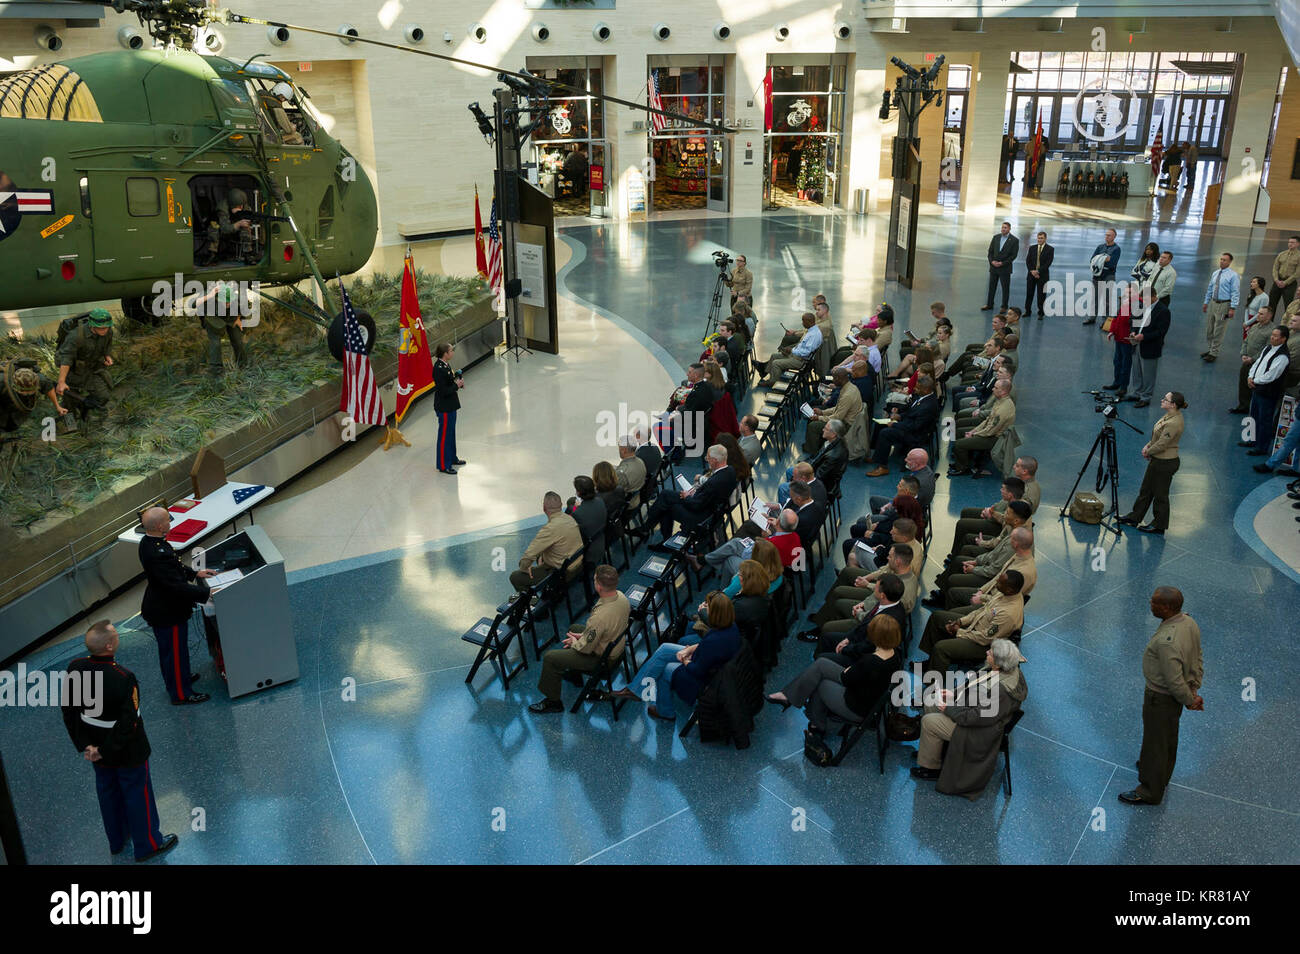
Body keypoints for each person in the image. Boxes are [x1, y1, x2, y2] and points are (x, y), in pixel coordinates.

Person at [60, 620, 180, 862]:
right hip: (126, 751)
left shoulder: (75, 668)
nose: (117, 638)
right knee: (137, 794)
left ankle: (116, 841)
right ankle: (148, 844)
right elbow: (129, 723)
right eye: (115, 636)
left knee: (108, 792)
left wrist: (88, 746)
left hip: (94, 747)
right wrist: (106, 750)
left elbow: (69, 711)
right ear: (108, 646)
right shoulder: (123, 676)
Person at [910, 638, 1028, 798]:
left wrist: (950, 708)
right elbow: (974, 687)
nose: (987, 652)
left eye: (991, 653)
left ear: (999, 663)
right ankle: (930, 751)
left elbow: (976, 717)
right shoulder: (1003, 670)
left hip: (978, 731)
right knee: (931, 702)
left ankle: (931, 768)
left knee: (929, 722)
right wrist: (954, 694)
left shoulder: (1001, 692)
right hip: (971, 713)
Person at [766, 615, 900, 751]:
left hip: (856, 707)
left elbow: (846, 678)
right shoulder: (895, 655)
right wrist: (851, 670)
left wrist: (849, 670)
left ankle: (813, 722)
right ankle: (808, 717)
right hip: (869, 700)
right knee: (821, 666)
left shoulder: (871, 661)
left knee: (820, 681)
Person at [1119, 587, 1203, 806]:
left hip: (1160, 697)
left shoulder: (1167, 641)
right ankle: (1159, 771)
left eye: (1155, 602)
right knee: (1167, 736)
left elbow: (1173, 679)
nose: (1151, 604)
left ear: (1167, 607)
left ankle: (1149, 790)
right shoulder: (1189, 623)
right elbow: (1197, 657)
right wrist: (1193, 688)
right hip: (1174, 697)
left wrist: (1189, 699)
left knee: (1155, 741)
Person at [612, 590, 742, 721]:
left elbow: (697, 670)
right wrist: (690, 649)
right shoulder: (731, 626)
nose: (704, 607)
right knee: (664, 649)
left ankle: (665, 711)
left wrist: (685, 659)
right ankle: (636, 690)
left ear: (715, 614)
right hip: (708, 662)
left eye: (707, 606)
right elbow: (706, 647)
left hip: (705, 678)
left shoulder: (714, 639)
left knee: (664, 669)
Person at [528, 565, 630, 714]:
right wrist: (582, 636)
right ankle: (574, 674)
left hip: (602, 659)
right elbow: (602, 630)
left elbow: (586, 648)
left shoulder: (600, 617)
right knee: (574, 628)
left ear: (599, 586)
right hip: (614, 646)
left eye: (595, 579)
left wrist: (576, 642)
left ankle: (553, 701)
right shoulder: (621, 597)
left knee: (550, 658)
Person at [138, 506, 214, 705]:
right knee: (174, 653)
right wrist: (206, 593)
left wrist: (194, 574)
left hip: (165, 607)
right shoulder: (157, 552)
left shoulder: (151, 543)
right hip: (167, 611)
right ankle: (181, 693)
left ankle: (181, 678)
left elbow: (175, 567)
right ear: (160, 525)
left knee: (173, 650)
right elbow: (173, 585)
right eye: (168, 520)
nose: (170, 523)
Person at [918, 570, 1025, 673]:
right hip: (976, 629)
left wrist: (959, 631)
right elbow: (981, 610)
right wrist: (960, 621)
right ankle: (932, 661)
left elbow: (985, 639)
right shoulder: (1005, 593)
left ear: (1010, 590)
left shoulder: (1008, 613)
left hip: (984, 645)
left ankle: (933, 683)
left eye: (1000, 582)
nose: (996, 582)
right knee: (937, 617)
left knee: (941, 648)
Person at [638, 443, 737, 549]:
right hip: (709, 509)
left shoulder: (714, 482)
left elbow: (696, 505)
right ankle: (647, 528)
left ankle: (652, 532)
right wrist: (694, 494)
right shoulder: (731, 471)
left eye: (707, 458)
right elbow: (707, 496)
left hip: (700, 517)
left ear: (714, 460)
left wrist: (687, 497)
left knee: (666, 506)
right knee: (665, 494)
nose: (706, 460)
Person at [1119, 392, 1186, 535]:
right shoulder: (1169, 415)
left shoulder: (1174, 422)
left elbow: (1163, 443)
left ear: (1173, 405)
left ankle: (1159, 525)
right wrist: (1148, 446)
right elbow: (1158, 436)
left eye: (1165, 399)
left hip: (1165, 462)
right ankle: (1135, 516)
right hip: (1158, 459)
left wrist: (1149, 452)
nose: (1162, 400)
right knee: (1146, 490)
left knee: (1160, 494)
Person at [865, 375, 940, 477]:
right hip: (908, 425)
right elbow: (911, 411)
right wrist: (899, 416)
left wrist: (896, 425)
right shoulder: (921, 396)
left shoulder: (928, 406)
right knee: (879, 426)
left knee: (885, 433)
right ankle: (877, 455)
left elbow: (915, 426)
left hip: (916, 435)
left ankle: (883, 467)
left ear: (926, 390)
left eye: (918, 387)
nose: (914, 389)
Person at [510, 492, 583, 591]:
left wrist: (524, 568)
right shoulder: (570, 518)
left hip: (562, 573)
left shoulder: (549, 529)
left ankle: (534, 603)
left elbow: (528, 556)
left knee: (516, 577)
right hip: (578, 563)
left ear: (544, 508)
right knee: (540, 556)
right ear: (561, 505)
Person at [947, 378, 1015, 476]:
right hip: (988, 431)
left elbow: (990, 431)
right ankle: (963, 461)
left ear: (1003, 391)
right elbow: (987, 420)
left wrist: (973, 434)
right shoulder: (1000, 401)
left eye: (996, 388)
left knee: (959, 444)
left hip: (994, 438)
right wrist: (973, 431)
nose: (992, 389)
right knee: (959, 432)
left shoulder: (1004, 409)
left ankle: (962, 468)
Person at [1241, 326, 1291, 455]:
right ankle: (1251, 440)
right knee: (1254, 415)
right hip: (1257, 387)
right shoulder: (1268, 348)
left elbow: (1271, 375)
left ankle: (1262, 447)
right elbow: (1258, 363)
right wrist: (1250, 376)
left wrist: (1255, 381)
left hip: (1268, 392)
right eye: (1272, 335)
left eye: (1275, 336)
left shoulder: (1283, 356)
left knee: (1265, 420)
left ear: (1283, 339)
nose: (1272, 338)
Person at [55, 308, 114, 414]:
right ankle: (70, 416)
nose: (105, 330)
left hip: (93, 368)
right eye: (101, 328)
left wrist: (107, 356)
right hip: (73, 370)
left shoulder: (108, 332)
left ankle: (85, 407)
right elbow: (66, 358)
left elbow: (107, 345)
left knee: (103, 397)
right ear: (92, 325)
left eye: (107, 327)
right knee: (69, 402)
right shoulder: (76, 336)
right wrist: (61, 382)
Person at [1126, 288, 1172, 408]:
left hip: (1150, 346)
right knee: (1136, 371)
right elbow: (1134, 321)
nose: (1144, 301)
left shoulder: (1163, 311)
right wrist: (1133, 332)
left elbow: (1161, 332)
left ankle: (1146, 397)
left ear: (1154, 296)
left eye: (1146, 299)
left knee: (1148, 374)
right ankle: (1136, 393)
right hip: (1137, 344)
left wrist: (1144, 336)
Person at [1230, 303, 1275, 414]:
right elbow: (1246, 341)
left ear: (1269, 316)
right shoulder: (1255, 326)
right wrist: (1243, 354)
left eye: (1261, 314)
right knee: (1243, 384)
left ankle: (1255, 410)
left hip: (1258, 364)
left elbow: (1267, 350)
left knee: (1255, 387)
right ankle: (1243, 406)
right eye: (1258, 313)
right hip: (1247, 361)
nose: (1257, 315)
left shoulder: (1271, 332)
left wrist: (1252, 359)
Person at [0, 357, 65, 434]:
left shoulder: (40, 379)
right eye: (23, 392)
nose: (26, 394)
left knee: (15, 423)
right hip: (4, 397)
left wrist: (58, 406)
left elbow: (49, 388)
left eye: (29, 392)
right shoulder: (1, 382)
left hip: (20, 405)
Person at [759, 312, 822, 386]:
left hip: (801, 361)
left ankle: (772, 383)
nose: (802, 323)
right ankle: (770, 376)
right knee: (774, 356)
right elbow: (802, 346)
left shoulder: (814, 335)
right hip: (797, 356)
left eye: (803, 321)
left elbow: (806, 352)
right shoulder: (810, 330)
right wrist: (790, 349)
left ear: (809, 321)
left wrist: (792, 351)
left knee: (776, 363)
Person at [1200, 252, 1241, 362]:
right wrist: (1206, 302)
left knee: (1219, 329)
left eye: (1224, 260)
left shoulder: (1233, 275)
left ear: (1230, 262)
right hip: (1213, 304)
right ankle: (1210, 349)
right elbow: (1210, 288)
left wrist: (1232, 308)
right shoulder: (1215, 273)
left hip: (1224, 306)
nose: (1222, 262)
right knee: (1210, 328)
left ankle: (1214, 352)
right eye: (1221, 259)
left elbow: (1235, 292)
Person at [433, 342, 465, 474]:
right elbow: (443, 390)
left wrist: (457, 382)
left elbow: (449, 381)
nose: (453, 352)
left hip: (451, 404)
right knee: (444, 436)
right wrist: (456, 385)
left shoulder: (445, 365)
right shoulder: (438, 368)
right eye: (451, 350)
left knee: (451, 433)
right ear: (445, 354)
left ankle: (452, 458)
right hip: (444, 407)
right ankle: (443, 465)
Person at [1104, 282, 1137, 399]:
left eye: (1130, 292)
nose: (1127, 294)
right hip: (1119, 337)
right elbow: (1117, 319)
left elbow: (1134, 322)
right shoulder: (1125, 303)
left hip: (1127, 339)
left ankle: (1123, 387)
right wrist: (1112, 331)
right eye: (1126, 292)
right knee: (1117, 361)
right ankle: (1116, 382)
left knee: (1125, 364)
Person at [1082, 228, 1122, 326]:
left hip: (1109, 276)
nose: (1107, 237)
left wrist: (1099, 259)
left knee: (1107, 299)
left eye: (1109, 235)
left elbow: (1112, 263)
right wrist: (1104, 258)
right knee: (1095, 297)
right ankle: (1092, 317)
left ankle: (1105, 320)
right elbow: (1092, 260)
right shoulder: (1100, 247)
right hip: (1097, 276)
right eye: (1106, 235)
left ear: (1114, 237)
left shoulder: (1116, 249)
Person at [983, 222, 1019, 313]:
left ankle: (1004, 306)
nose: (1003, 229)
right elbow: (990, 252)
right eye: (1002, 227)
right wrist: (992, 261)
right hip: (994, 268)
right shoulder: (996, 237)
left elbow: (1013, 256)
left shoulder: (1014, 240)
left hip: (1005, 268)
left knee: (1005, 288)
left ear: (1009, 229)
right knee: (991, 287)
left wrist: (1002, 263)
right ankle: (989, 304)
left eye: (1005, 228)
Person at [1024, 230, 1053, 319]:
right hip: (1031, 275)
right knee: (1029, 294)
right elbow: (1028, 261)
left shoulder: (1050, 249)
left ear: (1045, 239)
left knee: (1041, 295)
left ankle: (1041, 313)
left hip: (1042, 276)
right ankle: (1027, 311)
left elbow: (1048, 263)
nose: (1039, 240)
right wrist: (1032, 271)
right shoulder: (1032, 248)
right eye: (1038, 238)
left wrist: (1038, 271)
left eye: (1041, 238)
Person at [1269, 235, 1300, 315]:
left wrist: (1285, 282)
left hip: (1290, 283)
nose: (1290, 244)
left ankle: (1286, 325)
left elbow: (1297, 273)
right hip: (1278, 281)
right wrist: (1276, 279)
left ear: (1298, 244)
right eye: (1289, 242)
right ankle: (1269, 323)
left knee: (1288, 306)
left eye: (1292, 242)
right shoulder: (1281, 254)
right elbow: (1275, 268)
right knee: (1271, 304)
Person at [615, 438, 647, 505]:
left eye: (619, 448)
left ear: (624, 450)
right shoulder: (640, 461)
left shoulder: (622, 473)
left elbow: (614, 491)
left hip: (626, 505)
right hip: (636, 499)